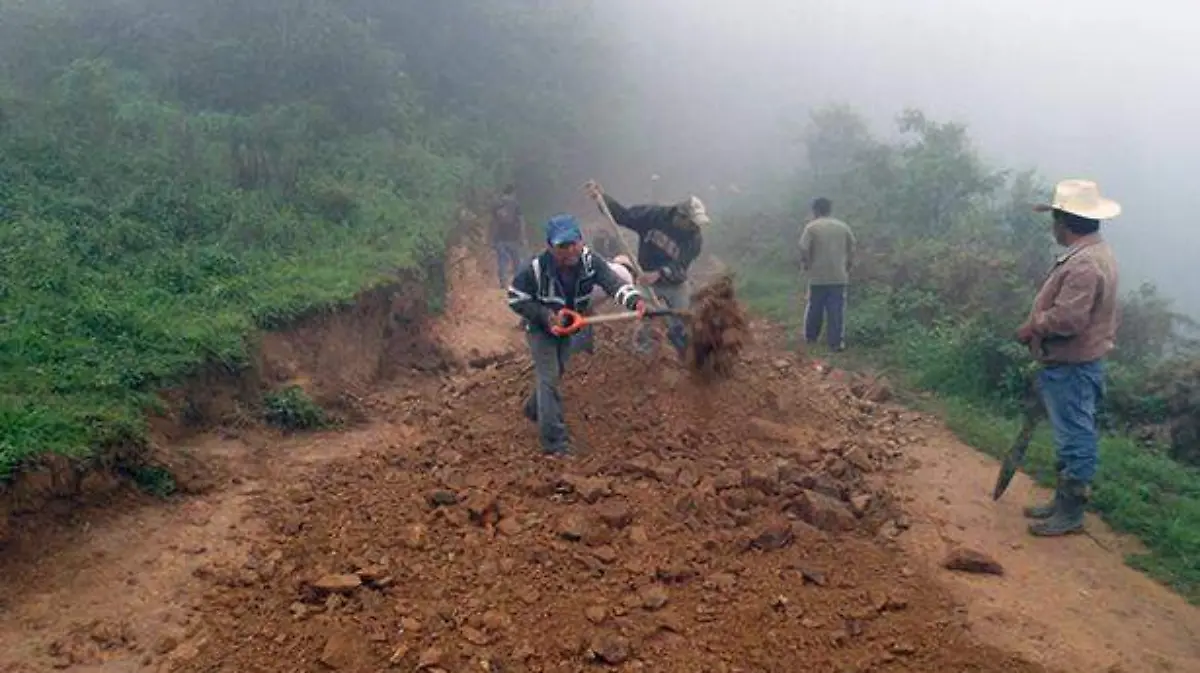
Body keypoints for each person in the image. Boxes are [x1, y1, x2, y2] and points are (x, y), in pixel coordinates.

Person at [1016, 179, 1121, 537]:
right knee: (1070, 433)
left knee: (1075, 436)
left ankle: (1071, 511)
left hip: (1073, 363)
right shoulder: (1094, 255)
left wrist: (1034, 326)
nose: (1053, 227)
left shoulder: (1084, 265)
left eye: (1056, 219)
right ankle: (1063, 502)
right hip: (1073, 362)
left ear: (1064, 221)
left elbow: (1069, 319)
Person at [507, 214, 645, 455]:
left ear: (581, 241)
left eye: (574, 243)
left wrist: (634, 301)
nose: (570, 250)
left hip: (569, 326)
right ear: (550, 247)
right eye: (562, 246)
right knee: (549, 378)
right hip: (541, 330)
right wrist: (544, 315)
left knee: (555, 373)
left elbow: (613, 283)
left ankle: (533, 409)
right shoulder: (535, 269)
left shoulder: (591, 262)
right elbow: (515, 298)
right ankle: (555, 444)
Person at [583, 179, 708, 358]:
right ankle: (645, 359)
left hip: (675, 282)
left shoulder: (694, 240)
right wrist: (602, 198)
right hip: (645, 277)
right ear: (680, 216)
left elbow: (680, 267)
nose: (696, 227)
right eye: (693, 223)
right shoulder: (653, 216)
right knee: (645, 316)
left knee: (682, 321)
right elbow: (623, 216)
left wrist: (659, 274)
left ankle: (687, 356)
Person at [798, 197, 856, 352]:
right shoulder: (843, 227)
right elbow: (852, 247)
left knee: (815, 307)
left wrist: (807, 264)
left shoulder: (811, 227)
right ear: (830, 210)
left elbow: (803, 248)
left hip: (818, 275)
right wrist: (848, 265)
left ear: (815, 210)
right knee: (836, 309)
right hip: (838, 275)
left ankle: (811, 338)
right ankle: (836, 343)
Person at [489, 184, 526, 289]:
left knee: (502, 261)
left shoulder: (497, 204)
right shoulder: (516, 204)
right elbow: (521, 221)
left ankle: (503, 283)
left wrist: (490, 238)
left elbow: (492, 223)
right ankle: (518, 283)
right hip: (513, 237)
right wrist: (523, 237)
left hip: (499, 238)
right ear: (513, 192)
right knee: (517, 261)